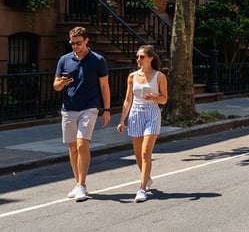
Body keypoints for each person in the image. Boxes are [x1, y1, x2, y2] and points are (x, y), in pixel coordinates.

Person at [54, 26, 112, 202]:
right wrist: (62, 83)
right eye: (72, 43)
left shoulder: (98, 60)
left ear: (86, 41)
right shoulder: (64, 60)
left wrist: (107, 110)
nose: (75, 46)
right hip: (69, 107)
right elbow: (55, 86)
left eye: (78, 43)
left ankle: (82, 185)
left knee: (81, 145)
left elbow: (104, 86)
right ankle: (77, 182)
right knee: (72, 147)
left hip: (89, 107)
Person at [116, 45, 168, 203]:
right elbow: (127, 99)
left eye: (142, 57)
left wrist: (153, 97)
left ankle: (142, 187)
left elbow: (164, 99)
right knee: (138, 154)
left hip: (152, 112)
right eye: (137, 57)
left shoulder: (159, 76)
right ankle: (147, 177)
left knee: (146, 152)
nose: (138, 60)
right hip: (136, 113)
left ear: (151, 58)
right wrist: (122, 120)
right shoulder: (132, 76)